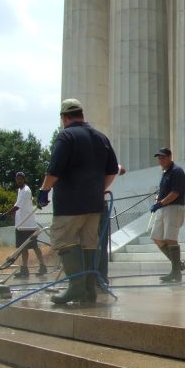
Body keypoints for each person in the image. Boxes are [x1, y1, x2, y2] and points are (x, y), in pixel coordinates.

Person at [37, 98, 119, 305]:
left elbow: (54, 170)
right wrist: (99, 189)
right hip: (94, 204)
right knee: (89, 243)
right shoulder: (101, 137)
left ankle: (75, 286)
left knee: (64, 240)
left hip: (70, 203)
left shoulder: (66, 136)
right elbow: (112, 171)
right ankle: (89, 290)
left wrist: (44, 190)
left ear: (64, 118)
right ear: (82, 114)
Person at [149, 147, 185, 283]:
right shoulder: (165, 173)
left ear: (170, 157)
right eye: (159, 158)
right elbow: (165, 190)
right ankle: (178, 265)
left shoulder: (177, 171)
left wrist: (161, 203)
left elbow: (176, 192)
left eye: (163, 157)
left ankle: (176, 272)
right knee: (157, 237)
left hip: (174, 208)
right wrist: (158, 199)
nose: (161, 160)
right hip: (163, 208)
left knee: (170, 238)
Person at [3, 171, 47, 278]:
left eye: (20, 179)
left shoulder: (26, 191)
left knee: (34, 246)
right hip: (21, 224)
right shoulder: (19, 190)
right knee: (23, 248)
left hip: (28, 225)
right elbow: (18, 206)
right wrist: (12, 214)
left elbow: (18, 206)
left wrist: (7, 213)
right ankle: (24, 269)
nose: (19, 181)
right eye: (17, 179)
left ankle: (43, 266)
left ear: (24, 179)